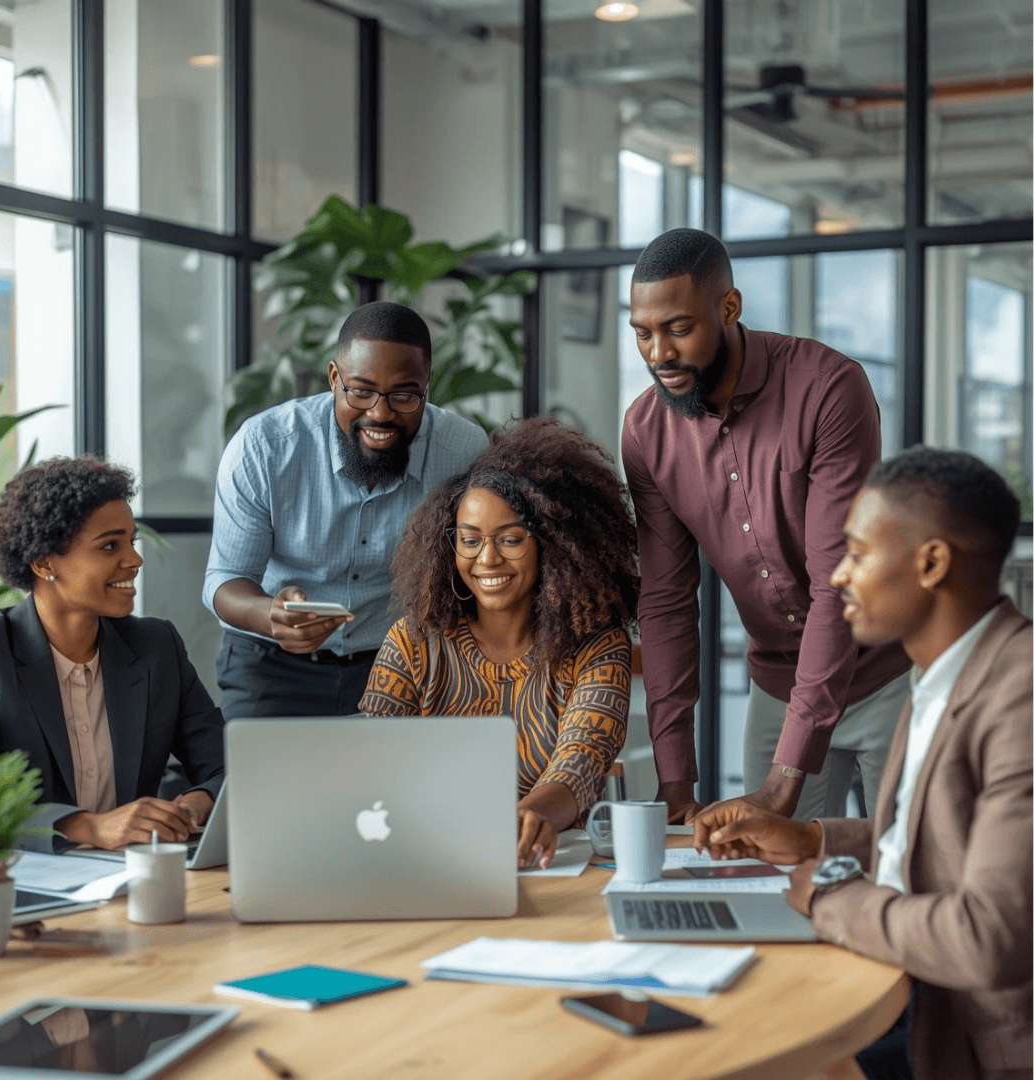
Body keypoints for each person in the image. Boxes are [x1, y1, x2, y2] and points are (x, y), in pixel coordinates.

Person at [693, 447, 1032, 1080]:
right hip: (922, 1007)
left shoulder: (1020, 695)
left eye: (857, 552)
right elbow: (944, 848)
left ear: (931, 563)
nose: (837, 576)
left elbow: (987, 937)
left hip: (985, 1051)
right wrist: (810, 841)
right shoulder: (941, 675)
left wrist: (828, 900)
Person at [622, 227, 911, 824]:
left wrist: (788, 775)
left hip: (888, 679)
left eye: (678, 328)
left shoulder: (828, 388)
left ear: (729, 308)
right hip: (778, 685)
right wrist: (674, 777)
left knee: (909, 864)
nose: (659, 354)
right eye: (643, 333)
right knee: (771, 868)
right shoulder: (646, 432)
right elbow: (667, 600)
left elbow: (836, 584)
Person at [360, 417, 639, 869]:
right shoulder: (413, 642)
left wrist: (527, 820)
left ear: (553, 543)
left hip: (545, 866)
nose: (486, 559)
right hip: (425, 859)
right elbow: (366, 764)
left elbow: (581, 762)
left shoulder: (596, 647)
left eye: (510, 539)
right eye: (469, 540)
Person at [204, 301, 488, 719]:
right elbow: (225, 580)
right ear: (335, 378)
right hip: (270, 661)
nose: (380, 413)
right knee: (254, 765)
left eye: (404, 395)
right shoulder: (264, 447)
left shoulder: (463, 452)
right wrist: (271, 615)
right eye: (361, 391)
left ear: (427, 383)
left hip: (399, 662)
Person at [0, 456, 225, 852]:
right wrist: (87, 827)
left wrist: (199, 801)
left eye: (131, 542)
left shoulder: (156, 647)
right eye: (110, 546)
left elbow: (226, 764)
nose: (135, 560)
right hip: (18, 876)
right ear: (44, 562)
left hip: (136, 872)